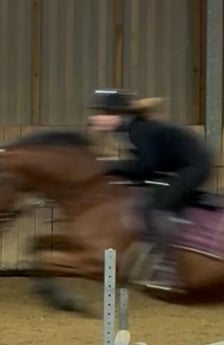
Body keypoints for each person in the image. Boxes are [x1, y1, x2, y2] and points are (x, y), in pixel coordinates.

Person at [87, 89, 214, 262]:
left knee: (156, 207)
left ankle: (167, 261)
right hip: (183, 166)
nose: (94, 118)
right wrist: (115, 171)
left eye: (100, 113)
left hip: (195, 166)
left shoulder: (137, 130)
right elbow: (144, 169)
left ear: (115, 114)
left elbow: (146, 166)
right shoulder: (130, 130)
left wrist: (110, 167)